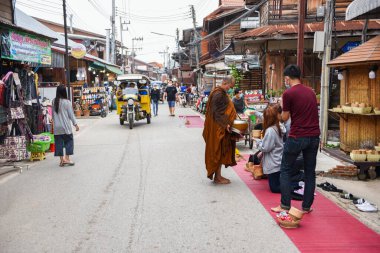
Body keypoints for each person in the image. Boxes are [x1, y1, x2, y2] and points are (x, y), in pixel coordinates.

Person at [271, 64, 320, 214]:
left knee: (285, 169)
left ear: (287, 78)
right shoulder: (311, 92)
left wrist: (278, 110)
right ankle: (306, 206)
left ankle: (285, 205)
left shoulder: (288, 93)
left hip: (297, 136)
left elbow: (285, 117)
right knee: (310, 172)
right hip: (314, 136)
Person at [202, 77, 237, 184]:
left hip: (218, 126)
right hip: (216, 128)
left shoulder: (220, 92)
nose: (229, 89)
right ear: (225, 83)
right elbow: (217, 112)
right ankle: (217, 177)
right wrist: (225, 124)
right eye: (229, 87)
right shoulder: (218, 94)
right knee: (217, 150)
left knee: (220, 150)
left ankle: (218, 175)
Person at [52, 85, 79, 167]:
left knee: (59, 144)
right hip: (66, 127)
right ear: (64, 92)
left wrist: (53, 125)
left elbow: (53, 115)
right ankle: (66, 158)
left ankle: (61, 160)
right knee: (69, 142)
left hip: (57, 127)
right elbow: (71, 115)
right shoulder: (67, 102)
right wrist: (76, 124)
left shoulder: (54, 101)